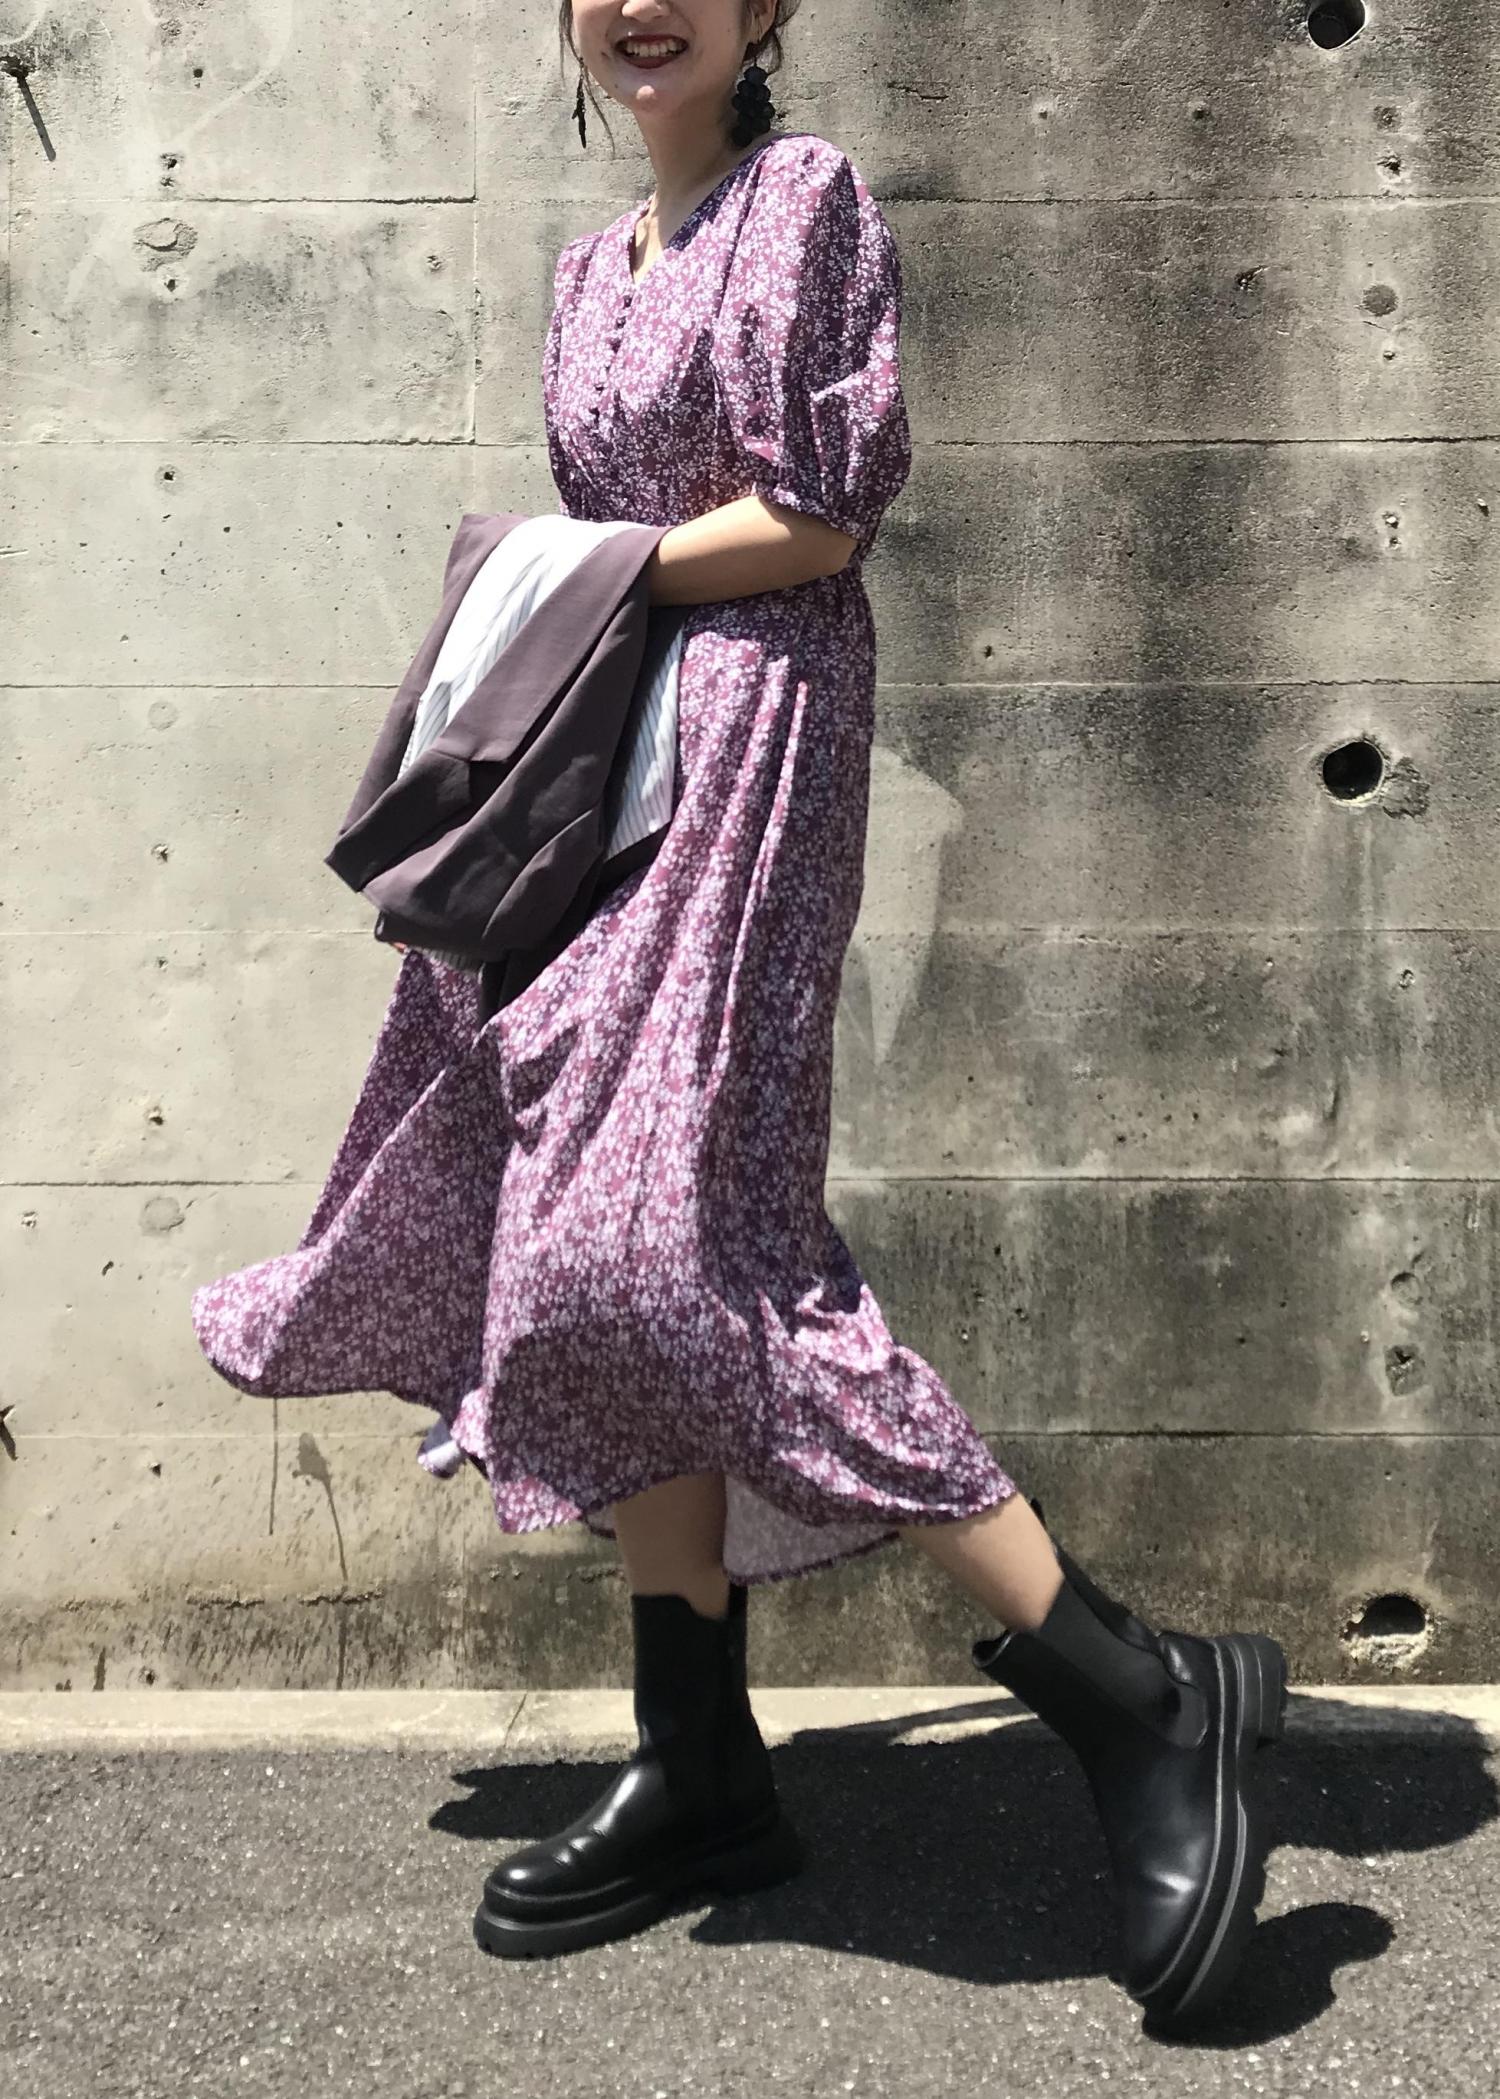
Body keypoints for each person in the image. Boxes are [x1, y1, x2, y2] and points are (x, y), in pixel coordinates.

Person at [189, 0, 1288, 2032]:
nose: (642, 2)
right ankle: (697, 1755)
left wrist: (565, 572)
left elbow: (821, 513)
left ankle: (1137, 1696)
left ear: (770, 6)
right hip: (601, 774)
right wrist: (579, 588)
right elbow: (630, 538)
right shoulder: (583, 269)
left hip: (757, 755)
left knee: (689, 1253)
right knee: (576, 1250)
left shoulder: (806, 199)